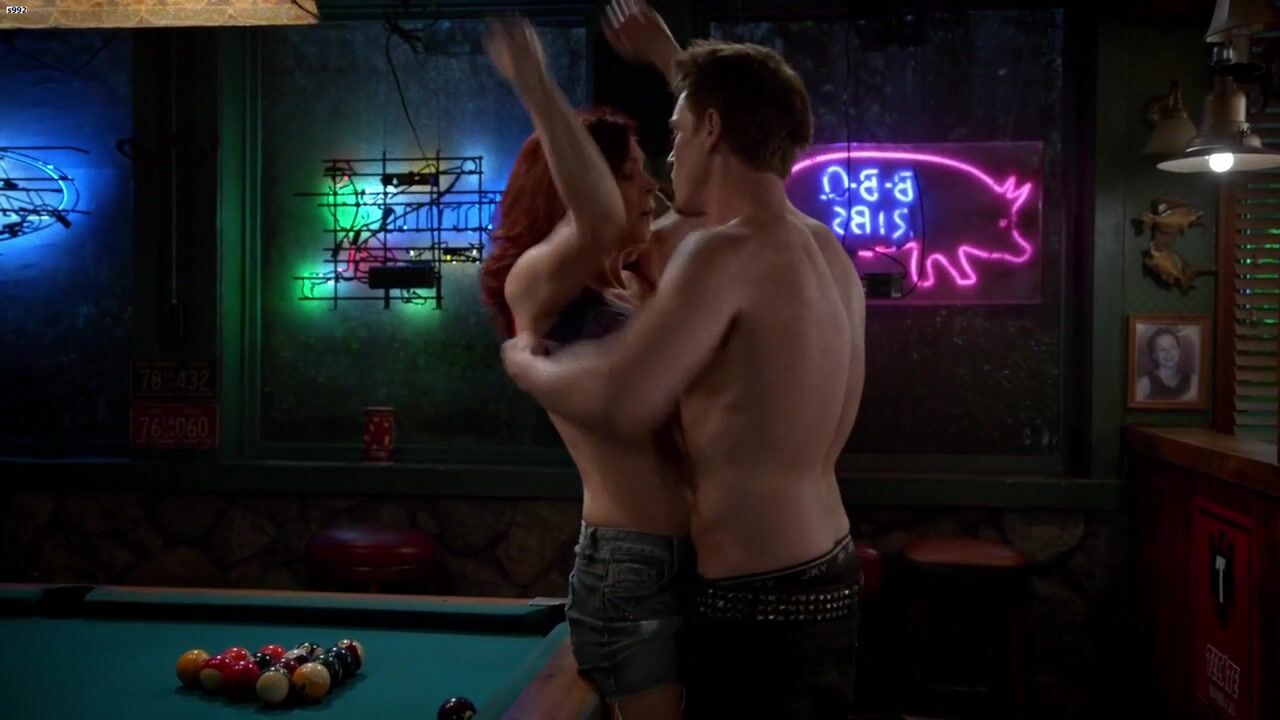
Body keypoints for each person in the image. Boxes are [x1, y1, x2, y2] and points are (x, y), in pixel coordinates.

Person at [501, 10, 869, 716]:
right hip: (831, 569)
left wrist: (525, 365)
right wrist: (676, 60)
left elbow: (622, 398)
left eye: (675, 134)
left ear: (710, 130)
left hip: (757, 595)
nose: (668, 162)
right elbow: (742, 117)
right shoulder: (824, 250)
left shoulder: (722, 254)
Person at [480, 19, 694, 720]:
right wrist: (536, 86)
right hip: (632, 564)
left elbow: (723, 206)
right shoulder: (534, 283)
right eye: (633, 172)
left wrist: (672, 61)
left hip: (705, 559)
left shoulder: (634, 279)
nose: (651, 186)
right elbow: (600, 218)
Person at [1136, 327, 1196, 401]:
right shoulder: (1145, 383)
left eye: (1172, 347)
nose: (1168, 353)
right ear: (1154, 355)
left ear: (1179, 350)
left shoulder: (1192, 381)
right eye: (1162, 349)